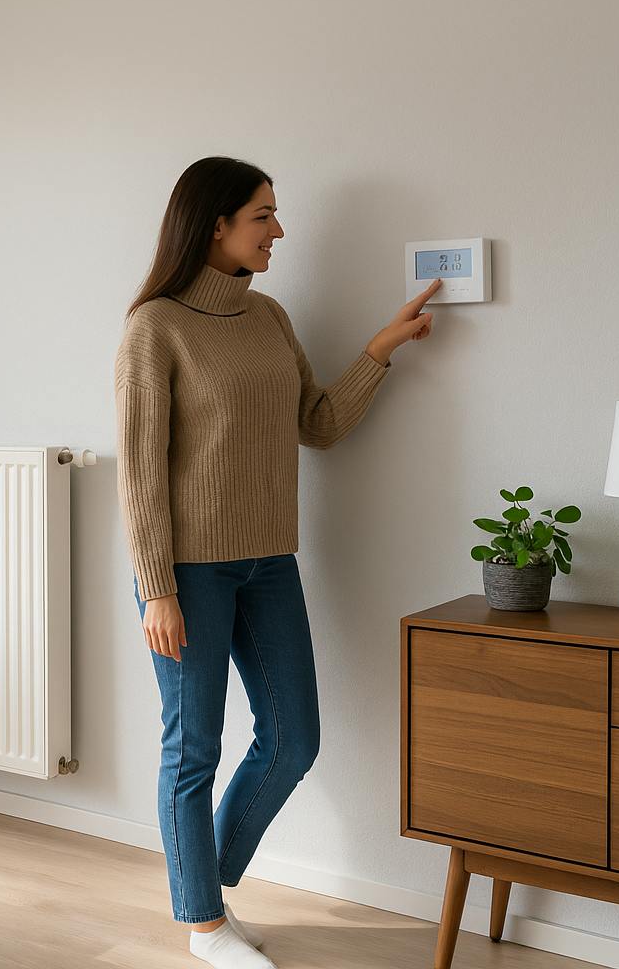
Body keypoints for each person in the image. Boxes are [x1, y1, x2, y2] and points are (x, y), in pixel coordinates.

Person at [113, 156, 439, 968]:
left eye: (275, 213)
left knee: (293, 740)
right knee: (192, 752)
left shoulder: (269, 317)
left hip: (270, 563)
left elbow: (319, 424)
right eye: (263, 215)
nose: (278, 230)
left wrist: (381, 348)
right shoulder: (155, 327)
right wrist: (156, 590)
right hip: (187, 571)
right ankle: (204, 925)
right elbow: (139, 471)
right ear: (214, 224)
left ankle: (203, 889)